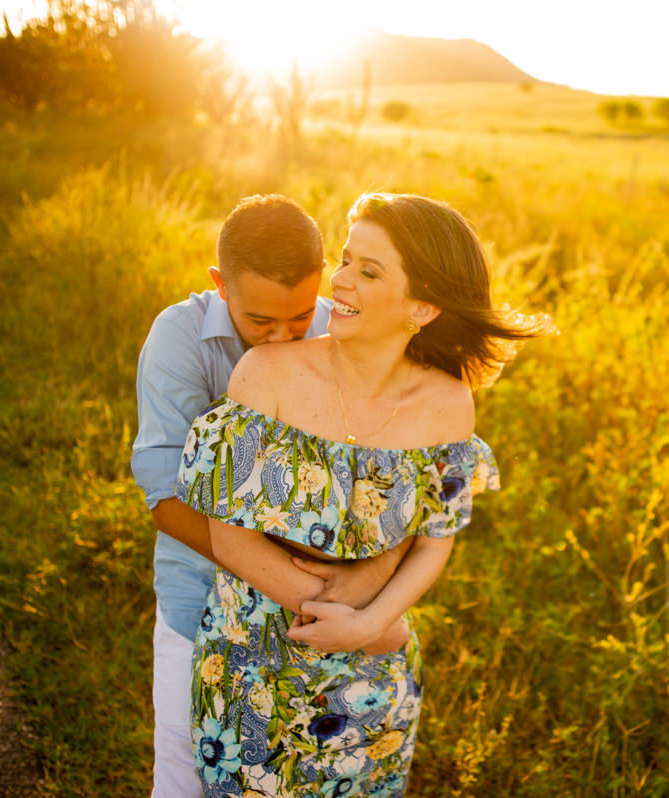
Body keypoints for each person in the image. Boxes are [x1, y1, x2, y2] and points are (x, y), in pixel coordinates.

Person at [175, 193, 548, 796]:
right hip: (253, 665)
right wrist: (343, 617)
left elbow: (433, 543)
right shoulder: (267, 374)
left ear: (422, 307)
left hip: (375, 675)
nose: (339, 280)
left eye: (368, 271)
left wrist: (373, 625)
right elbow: (229, 534)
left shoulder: (447, 404)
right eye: (345, 260)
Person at [132, 195, 407, 798]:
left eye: (302, 313)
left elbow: (396, 463)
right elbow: (162, 489)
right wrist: (291, 582)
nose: (283, 336)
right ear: (220, 285)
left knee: (295, 775)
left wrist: (358, 588)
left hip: (318, 618)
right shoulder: (179, 337)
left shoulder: (344, 330)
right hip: (197, 598)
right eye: (260, 321)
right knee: (187, 772)